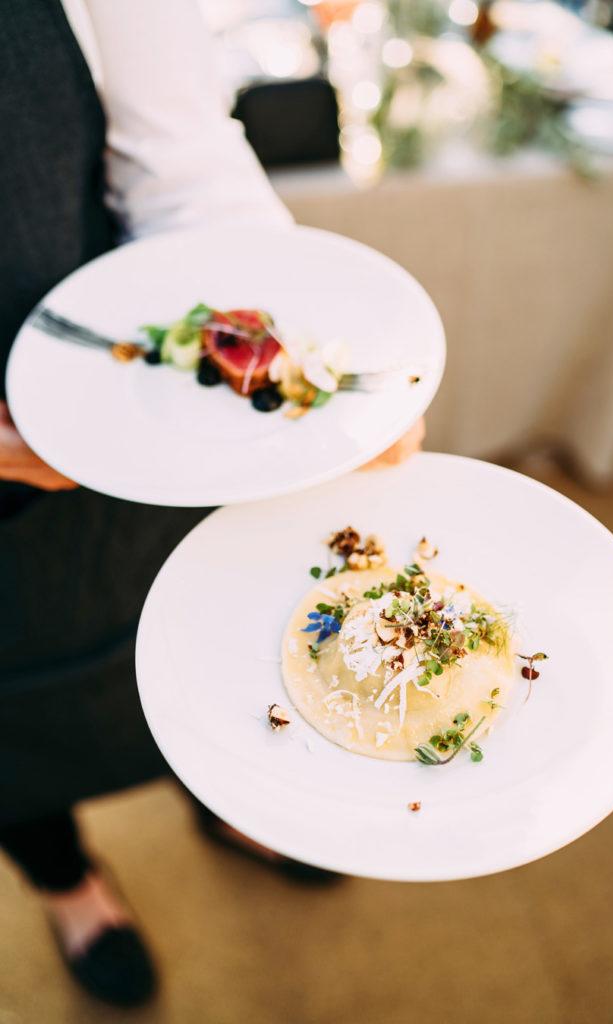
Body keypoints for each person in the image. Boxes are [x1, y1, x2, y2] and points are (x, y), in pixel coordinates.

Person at [0, 0, 423, 1008]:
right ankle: (70, 883)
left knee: (202, 645)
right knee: (12, 731)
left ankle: (226, 802)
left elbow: (177, 155)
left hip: (133, 394)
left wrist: (293, 366)